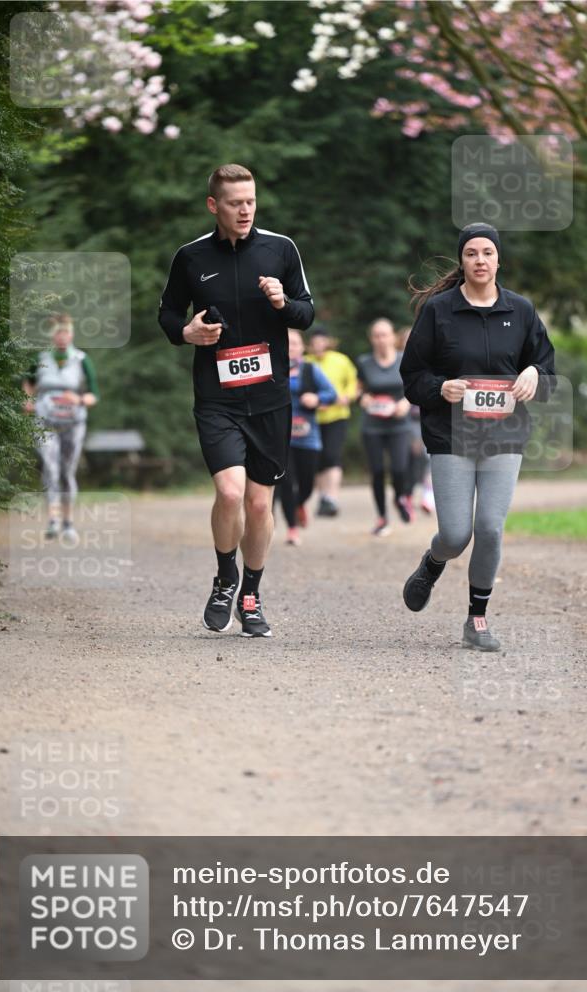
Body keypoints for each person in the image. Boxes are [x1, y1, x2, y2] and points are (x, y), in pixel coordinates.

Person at [158, 163, 314, 638]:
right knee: (229, 493)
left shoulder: (280, 249)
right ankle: (225, 578)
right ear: (214, 205)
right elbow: (167, 313)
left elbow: (306, 313)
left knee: (260, 506)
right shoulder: (191, 257)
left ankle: (251, 593)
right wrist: (186, 332)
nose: (245, 210)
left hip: (269, 399)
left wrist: (283, 303)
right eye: (235, 203)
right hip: (217, 398)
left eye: (251, 201)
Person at [400, 222, 555, 651]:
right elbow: (412, 375)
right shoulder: (439, 311)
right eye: (471, 253)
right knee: (455, 535)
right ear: (462, 260)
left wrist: (534, 372)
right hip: (451, 434)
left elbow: (547, 370)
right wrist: (440, 388)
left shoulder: (521, 310)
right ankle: (433, 563)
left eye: (488, 252)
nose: (480, 260)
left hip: (504, 434)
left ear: (498, 260)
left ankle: (477, 619)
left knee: (489, 528)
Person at [22, 313, 99, 542]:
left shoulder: (82, 359)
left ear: (71, 334)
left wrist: (80, 399)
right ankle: (53, 521)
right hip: (45, 421)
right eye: (58, 332)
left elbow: (94, 394)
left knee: (66, 471)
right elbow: (28, 383)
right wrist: (27, 400)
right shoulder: (40, 358)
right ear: (52, 335)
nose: (62, 337)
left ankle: (68, 523)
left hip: (73, 423)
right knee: (50, 467)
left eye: (66, 332)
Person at [276, 329, 336, 546]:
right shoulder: (272, 368)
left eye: (295, 343)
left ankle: (300, 503)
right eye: (287, 343)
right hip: (281, 438)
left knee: (307, 485)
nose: (290, 347)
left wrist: (317, 398)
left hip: (308, 438)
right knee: (286, 483)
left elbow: (332, 394)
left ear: (302, 348)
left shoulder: (311, 369)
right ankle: (292, 529)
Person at [356, 317, 413, 537]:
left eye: (385, 335)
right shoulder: (364, 362)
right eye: (376, 335)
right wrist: (362, 398)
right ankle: (382, 517)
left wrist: (406, 403)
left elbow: (414, 387)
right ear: (371, 339)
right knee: (378, 471)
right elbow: (358, 390)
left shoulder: (404, 359)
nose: (381, 339)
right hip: (373, 426)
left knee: (399, 469)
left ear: (393, 337)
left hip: (399, 424)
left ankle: (400, 497)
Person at [305, 326, 357, 517]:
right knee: (317, 459)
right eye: (314, 342)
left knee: (332, 455)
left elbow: (353, 382)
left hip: (337, 416)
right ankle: (323, 498)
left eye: (321, 341)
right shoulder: (306, 362)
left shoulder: (341, 360)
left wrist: (347, 396)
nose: (318, 345)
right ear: (310, 345)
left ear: (328, 342)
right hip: (312, 418)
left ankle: (332, 498)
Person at [398, 327, 435, 516]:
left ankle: (428, 494)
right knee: (412, 456)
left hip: (428, 416)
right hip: (407, 421)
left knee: (429, 456)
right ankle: (408, 493)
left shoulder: (430, 360)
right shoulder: (398, 362)